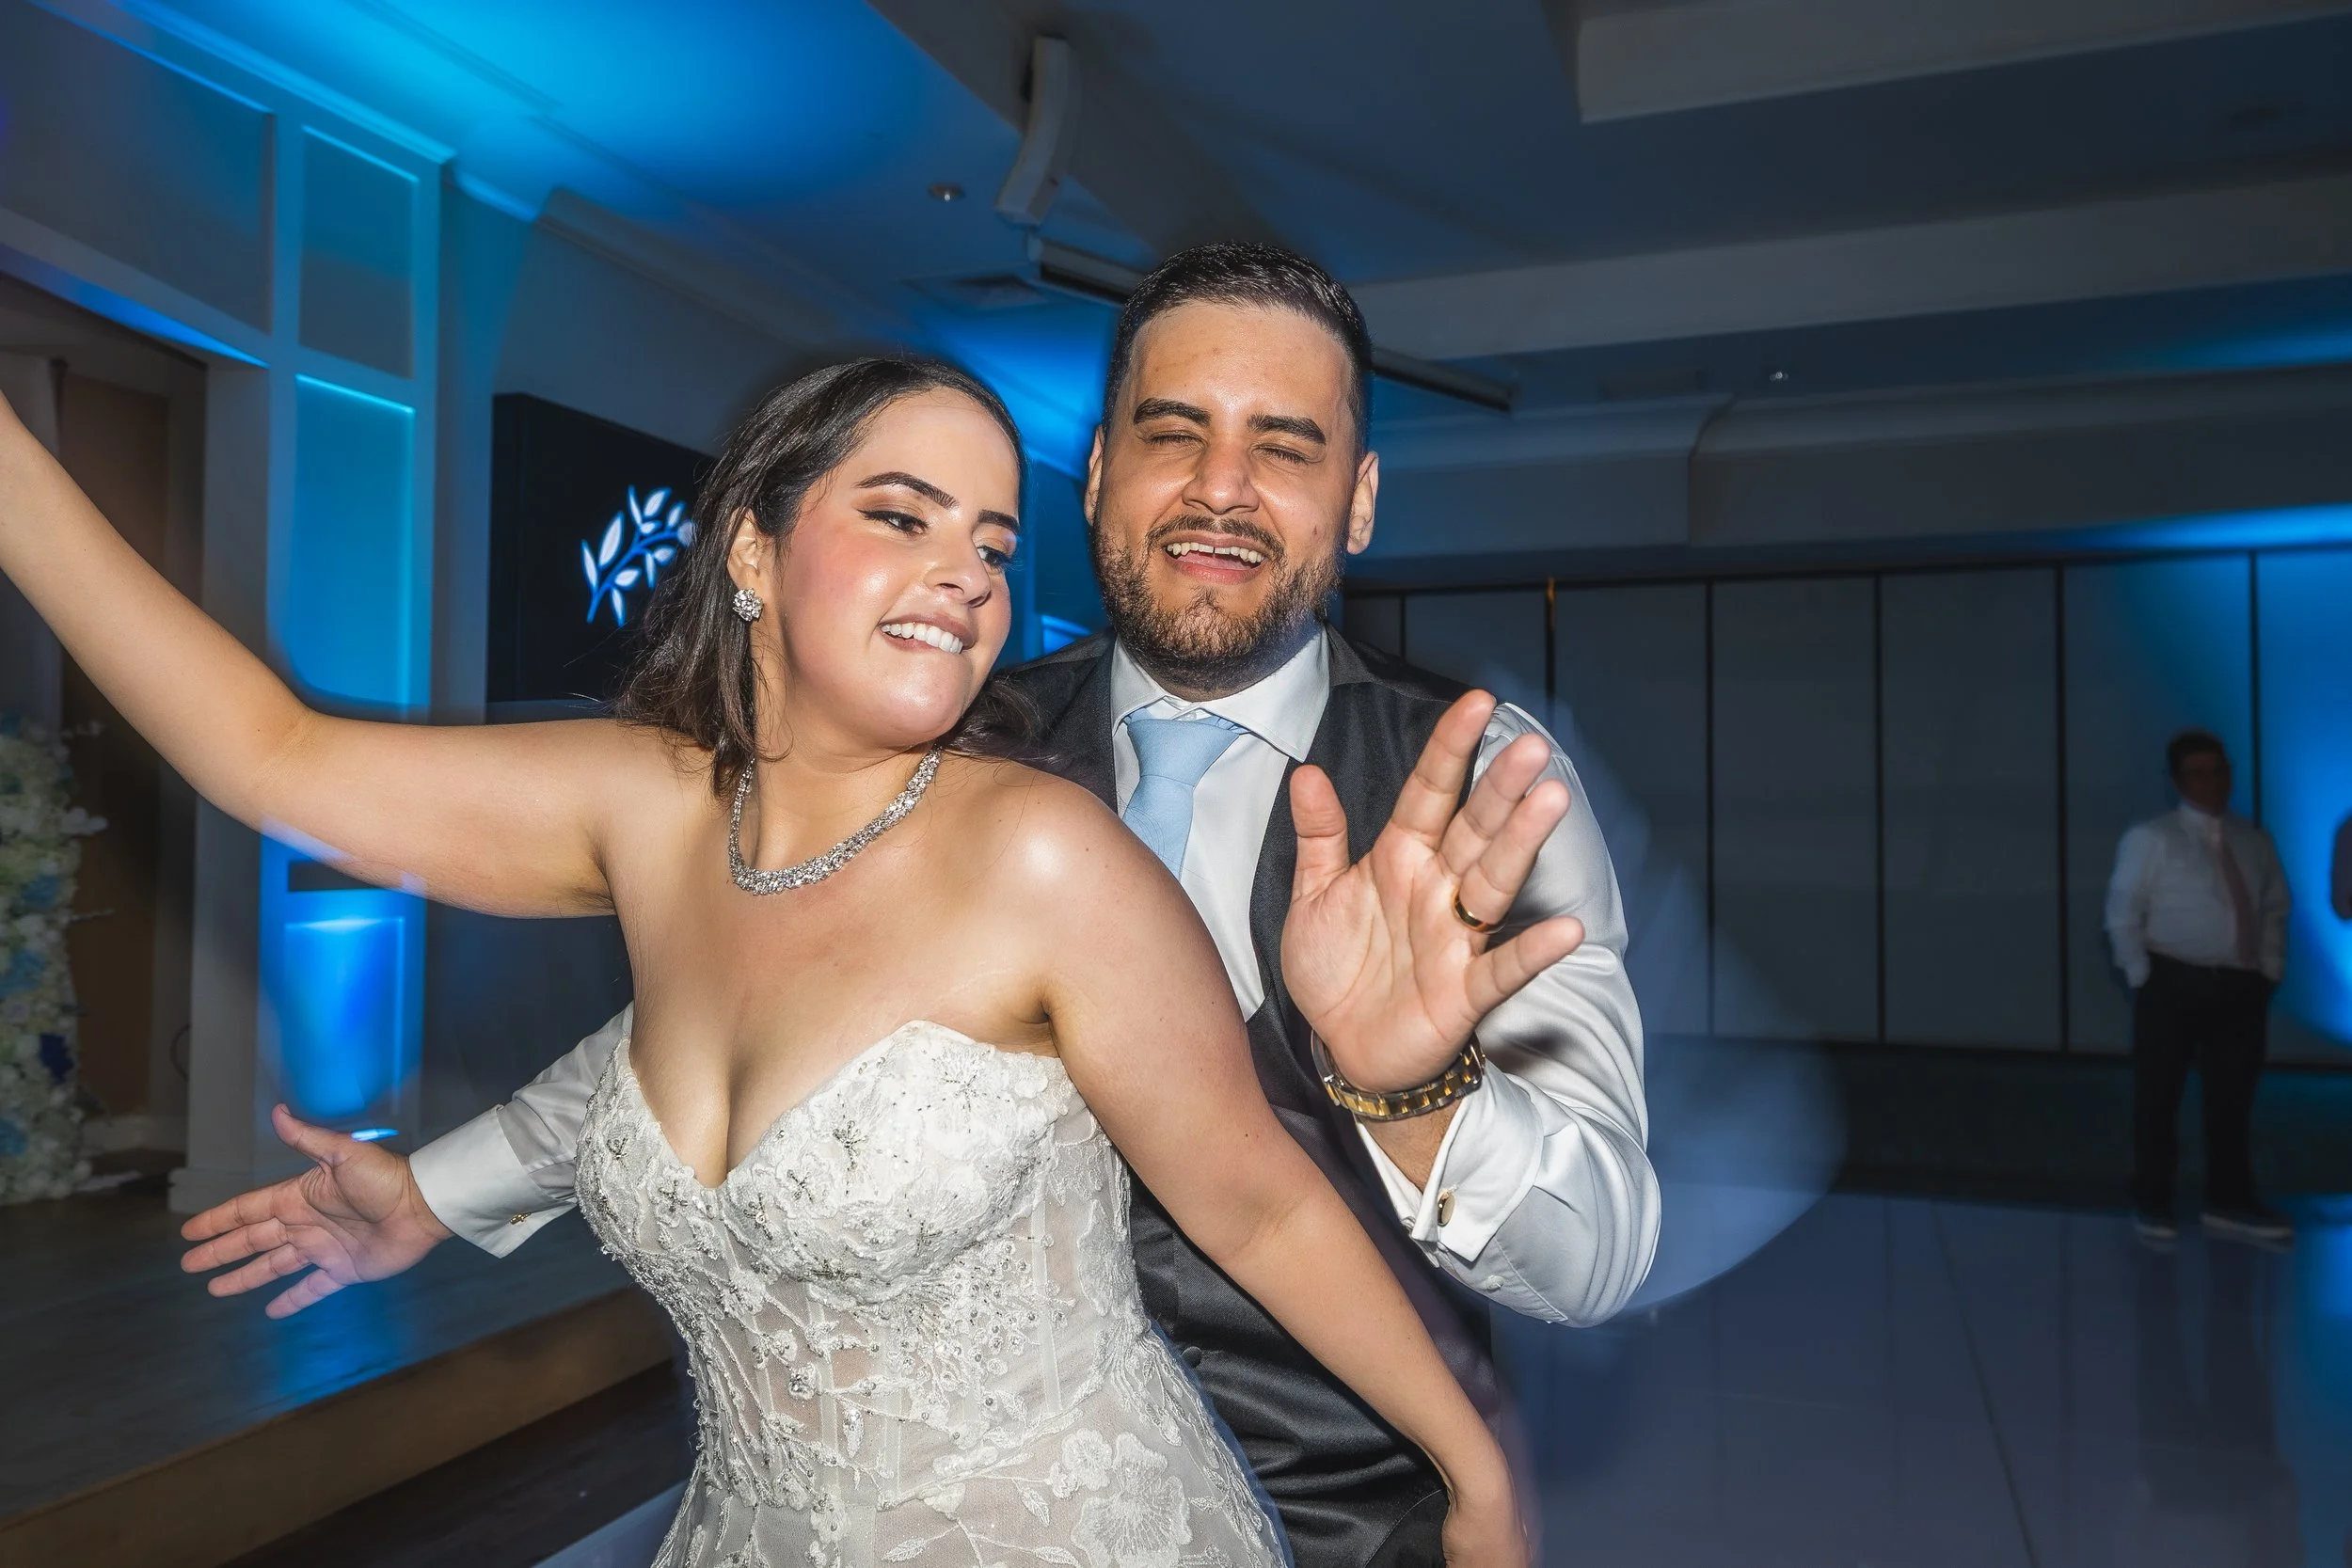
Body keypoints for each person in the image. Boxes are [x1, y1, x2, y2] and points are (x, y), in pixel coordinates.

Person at [176, 244, 1661, 1565]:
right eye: (1172, 432)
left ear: (1360, 500)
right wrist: (444, 1188)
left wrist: (1418, 1098)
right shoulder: (939, 737)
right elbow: (743, 1018)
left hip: (1342, 1508)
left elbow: (1597, 1255)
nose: (1220, 484)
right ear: (1098, 482)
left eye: (1285, 444)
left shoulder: (1476, 801)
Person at [2106, 730, 2292, 1249]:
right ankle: (2153, 1197)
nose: (2212, 782)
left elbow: (2274, 905)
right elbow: (2123, 911)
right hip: (2174, 980)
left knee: (2232, 1098)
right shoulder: (2154, 838)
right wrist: (2142, 976)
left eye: (2219, 771)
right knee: (2158, 1096)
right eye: (2198, 772)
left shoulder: (2253, 840)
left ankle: (2229, 1199)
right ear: (2176, 780)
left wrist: (2268, 969)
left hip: (2239, 985)